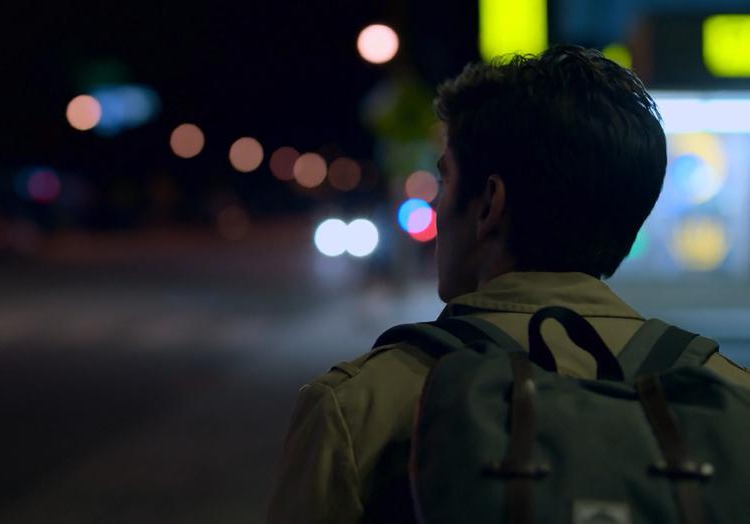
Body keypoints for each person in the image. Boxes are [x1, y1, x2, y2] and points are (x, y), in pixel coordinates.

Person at [266, 45, 750, 523]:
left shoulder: (361, 408)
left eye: (444, 183)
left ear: (488, 204)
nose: (435, 209)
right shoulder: (728, 396)